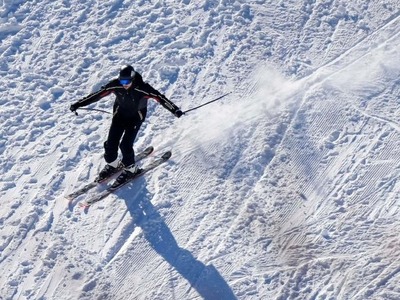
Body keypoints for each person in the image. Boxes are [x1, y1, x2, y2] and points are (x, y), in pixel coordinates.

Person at [70, 64, 183, 186]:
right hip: (119, 117)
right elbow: (97, 95)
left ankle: (131, 170)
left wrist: (175, 110)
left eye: (127, 81)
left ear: (133, 78)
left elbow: (160, 98)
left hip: (135, 119)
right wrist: (78, 104)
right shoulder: (116, 85)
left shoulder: (143, 88)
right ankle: (113, 165)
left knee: (125, 145)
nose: (124, 84)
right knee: (110, 145)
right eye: (122, 80)